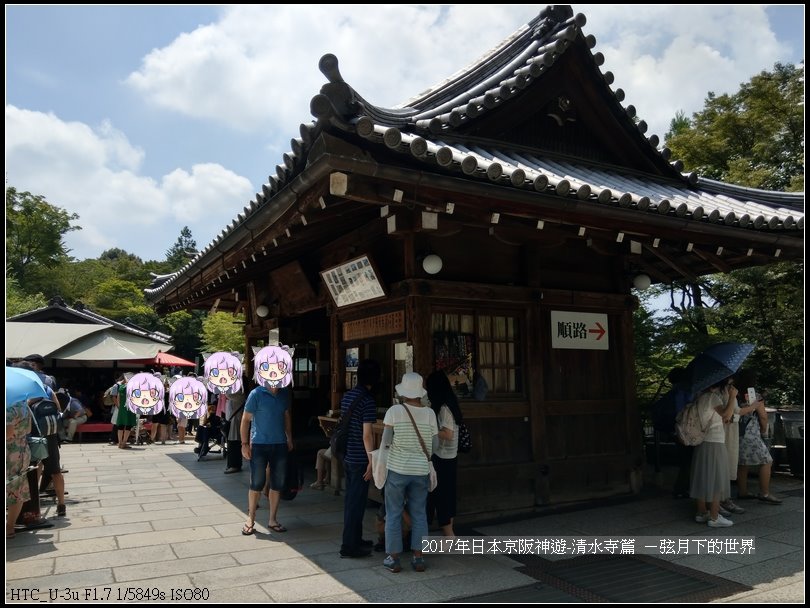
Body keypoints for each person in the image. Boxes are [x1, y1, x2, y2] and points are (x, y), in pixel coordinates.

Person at [381, 372, 439, 572]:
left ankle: (393, 558)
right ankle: (418, 557)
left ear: (403, 391)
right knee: (419, 513)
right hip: (421, 469)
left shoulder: (394, 411)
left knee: (394, 512)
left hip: (397, 468)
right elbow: (436, 444)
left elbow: (387, 441)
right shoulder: (430, 414)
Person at [240, 345, 294, 536]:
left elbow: (286, 416)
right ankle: (251, 518)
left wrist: (289, 437)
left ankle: (272, 519)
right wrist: (244, 444)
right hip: (259, 444)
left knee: (277, 483)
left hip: (279, 443)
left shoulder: (284, 393)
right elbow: (245, 420)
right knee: (257, 482)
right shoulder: (256, 394)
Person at [337, 358, 381, 558]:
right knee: (356, 502)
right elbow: (367, 434)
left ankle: (356, 539)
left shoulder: (348, 396)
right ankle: (349, 546)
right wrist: (372, 460)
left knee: (352, 500)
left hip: (347, 454)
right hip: (360, 458)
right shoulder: (368, 401)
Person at [690, 378, 736, 527]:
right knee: (716, 479)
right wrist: (733, 397)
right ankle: (715, 517)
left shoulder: (700, 396)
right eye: (728, 384)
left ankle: (702, 512)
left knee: (703, 477)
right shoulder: (712, 397)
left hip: (703, 442)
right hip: (715, 442)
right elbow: (727, 415)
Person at [735, 369, 782, 505]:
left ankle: (742, 492)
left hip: (735, 433)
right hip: (751, 434)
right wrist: (763, 431)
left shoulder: (733, 395)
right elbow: (763, 416)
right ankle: (765, 493)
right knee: (767, 461)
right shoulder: (754, 396)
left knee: (742, 463)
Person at [426, 370, 462, 537]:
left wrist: (431, 431)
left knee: (441, 496)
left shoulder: (444, 408)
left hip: (443, 457)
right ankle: (449, 534)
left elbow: (448, 434)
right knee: (447, 495)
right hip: (449, 457)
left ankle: (449, 535)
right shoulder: (450, 403)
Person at [6, 399, 32, 539]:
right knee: (17, 489)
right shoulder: (23, 404)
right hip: (22, 450)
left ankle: (9, 527)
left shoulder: (8, 406)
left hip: (9, 453)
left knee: (11, 487)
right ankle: (10, 526)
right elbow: (29, 429)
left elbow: (7, 433)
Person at [224, 391, 246, 473]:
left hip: (236, 422)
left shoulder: (240, 394)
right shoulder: (235, 394)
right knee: (231, 444)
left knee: (234, 444)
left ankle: (234, 465)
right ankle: (231, 465)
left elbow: (227, 394)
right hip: (233, 421)